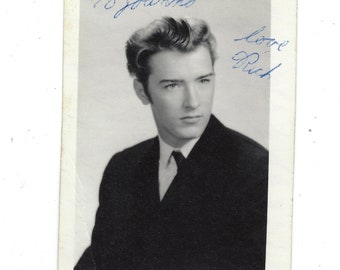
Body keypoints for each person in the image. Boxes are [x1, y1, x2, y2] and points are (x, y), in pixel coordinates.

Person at [75, 17, 268, 270]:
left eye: (203, 81)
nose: (193, 102)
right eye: (173, 85)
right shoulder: (123, 168)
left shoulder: (255, 170)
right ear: (142, 91)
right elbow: (97, 262)